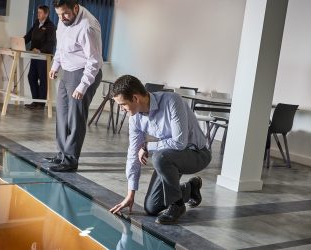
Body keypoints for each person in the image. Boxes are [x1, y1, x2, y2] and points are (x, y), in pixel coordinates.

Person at [109, 75, 211, 225]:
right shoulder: (135, 118)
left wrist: (147, 146)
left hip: (197, 154)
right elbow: (133, 153)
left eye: (122, 104)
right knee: (151, 207)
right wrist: (130, 194)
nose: (121, 109)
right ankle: (190, 188)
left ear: (135, 98)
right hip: (171, 156)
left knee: (159, 157)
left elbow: (179, 143)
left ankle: (177, 205)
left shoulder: (172, 101)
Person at [43, 0, 103, 172]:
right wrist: (55, 66)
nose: (62, 18)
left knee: (75, 117)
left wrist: (83, 86)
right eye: (59, 14)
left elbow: (94, 61)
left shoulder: (88, 26)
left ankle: (70, 160)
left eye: (66, 14)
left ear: (76, 8)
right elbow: (61, 47)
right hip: (68, 71)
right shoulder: (63, 21)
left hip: (84, 72)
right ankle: (62, 154)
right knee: (62, 114)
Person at [23, 5, 56, 110]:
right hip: (34, 55)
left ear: (46, 14)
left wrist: (40, 50)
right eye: (37, 12)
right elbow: (28, 36)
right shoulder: (37, 23)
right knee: (31, 77)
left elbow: (51, 43)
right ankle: (35, 101)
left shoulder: (50, 26)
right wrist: (19, 43)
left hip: (44, 56)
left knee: (42, 79)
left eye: (40, 13)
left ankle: (41, 104)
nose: (38, 14)